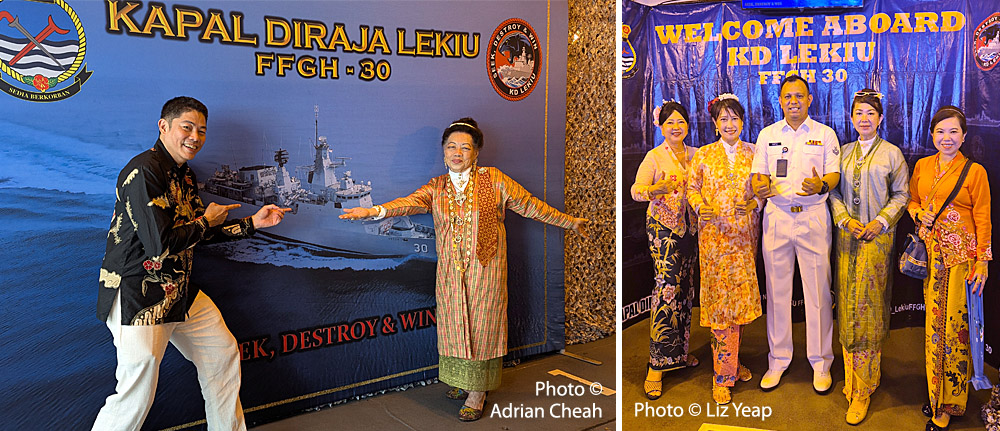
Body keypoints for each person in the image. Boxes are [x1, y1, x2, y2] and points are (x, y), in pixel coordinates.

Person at [339, 118, 588, 422]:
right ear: (443, 153)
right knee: (455, 325)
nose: (457, 152)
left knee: (483, 328)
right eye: (451, 147)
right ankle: (462, 381)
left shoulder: (494, 180)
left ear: (476, 153)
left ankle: (478, 392)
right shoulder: (437, 187)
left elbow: (531, 205)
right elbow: (407, 204)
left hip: (488, 269)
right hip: (450, 272)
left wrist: (569, 222)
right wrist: (372, 211)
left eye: (464, 147)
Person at [92, 97, 291, 431]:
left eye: (201, 131)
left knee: (222, 354)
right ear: (164, 126)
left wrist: (253, 223)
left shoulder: (185, 177)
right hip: (139, 298)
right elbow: (160, 245)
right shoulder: (144, 171)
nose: (195, 137)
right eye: (187, 127)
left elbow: (198, 237)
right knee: (135, 397)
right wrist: (206, 220)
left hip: (179, 291)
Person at [750, 74, 841, 394]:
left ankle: (821, 362)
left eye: (799, 96)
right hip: (776, 219)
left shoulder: (824, 134)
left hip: (813, 218)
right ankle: (778, 360)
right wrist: (759, 185)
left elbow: (834, 173)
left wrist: (822, 185)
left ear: (809, 99)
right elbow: (757, 176)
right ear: (780, 101)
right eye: (787, 97)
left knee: (818, 293)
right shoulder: (767, 135)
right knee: (777, 293)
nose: (793, 102)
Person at [827, 89, 910, 425]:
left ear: (879, 119)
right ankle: (852, 380)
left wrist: (880, 222)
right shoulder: (842, 153)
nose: (864, 119)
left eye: (870, 114)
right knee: (847, 305)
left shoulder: (892, 154)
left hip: (877, 241)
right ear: (851, 118)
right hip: (847, 240)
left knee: (869, 307)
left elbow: (902, 194)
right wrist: (844, 218)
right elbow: (831, 189)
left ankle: (864, 388)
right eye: (859, 113)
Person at [907, 105, 991, 431]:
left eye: (953, 132)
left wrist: (982, 263)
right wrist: (918, 214)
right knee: (933, 332)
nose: (947, 138)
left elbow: (983, 219)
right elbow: (912, 201)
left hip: (962, 264)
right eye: (941, 132)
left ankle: (951, 403)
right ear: (932, 135)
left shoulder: (975, 172)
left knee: (955, 333)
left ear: (964, 136)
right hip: (932, 262)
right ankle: (934, 392)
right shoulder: (923, 166)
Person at [686, 94, 761, 405]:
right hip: (715, 241)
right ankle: (721, 377)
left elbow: (764, 190)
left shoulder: (755, 153)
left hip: (744, 240)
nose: (730, 124)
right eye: (723, 119)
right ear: (715, 124)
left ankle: (731, 365)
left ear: (742, 121)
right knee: (721, 306)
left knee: (739, 304)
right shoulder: (703, 155)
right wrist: (700, 205)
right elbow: (692, 189)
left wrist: (756, 203)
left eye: (734, 118)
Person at [630, 100, 699, 401]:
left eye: (680, 122)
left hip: (692, 231)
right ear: (661, 126)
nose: (675, 127)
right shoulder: (654, 156)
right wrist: (651, 191)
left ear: (687, 125)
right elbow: (635, 190)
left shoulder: (697, 155)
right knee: (667, 290)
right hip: (664, 231)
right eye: (670, 122)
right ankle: (656, 365)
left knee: (686, 291)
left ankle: (679, 355)